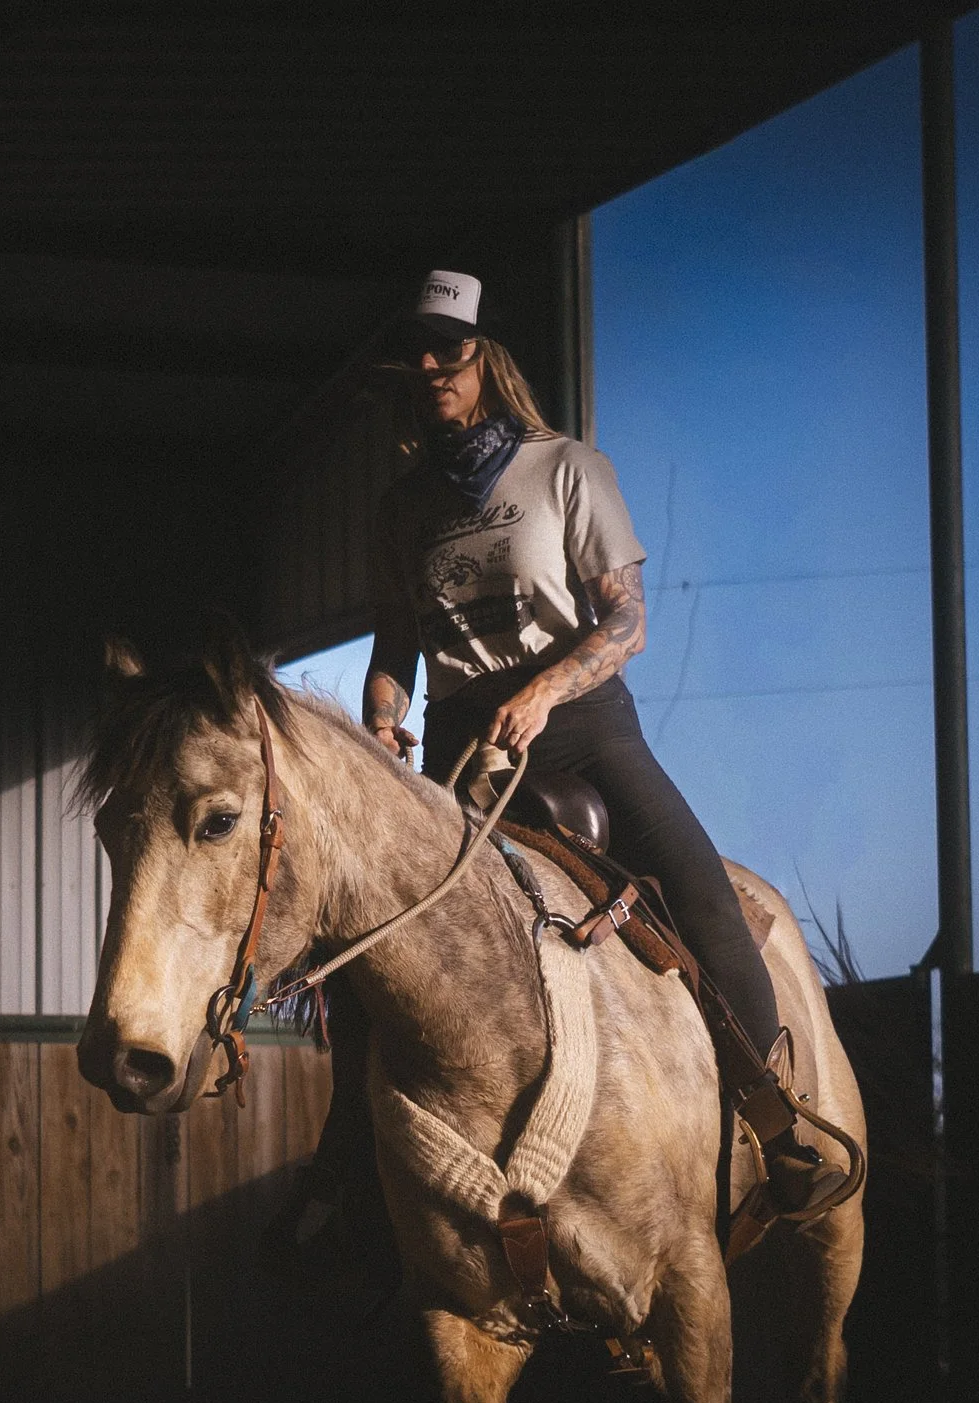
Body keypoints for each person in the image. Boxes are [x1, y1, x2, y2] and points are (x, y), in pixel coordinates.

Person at [278, 270, 842, 1273]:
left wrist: (544, 692)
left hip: (581, 725)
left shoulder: (567, 469)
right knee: (385, 944)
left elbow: (625, 618)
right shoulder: (402, 507)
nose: (428, 368)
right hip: (458, 743)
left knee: (705, 895)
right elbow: (394, 647)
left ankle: (775, 1119)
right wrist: (380, 725)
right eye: (414, 352)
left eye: (446, 350)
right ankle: (352, 1158)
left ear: (485, 358)